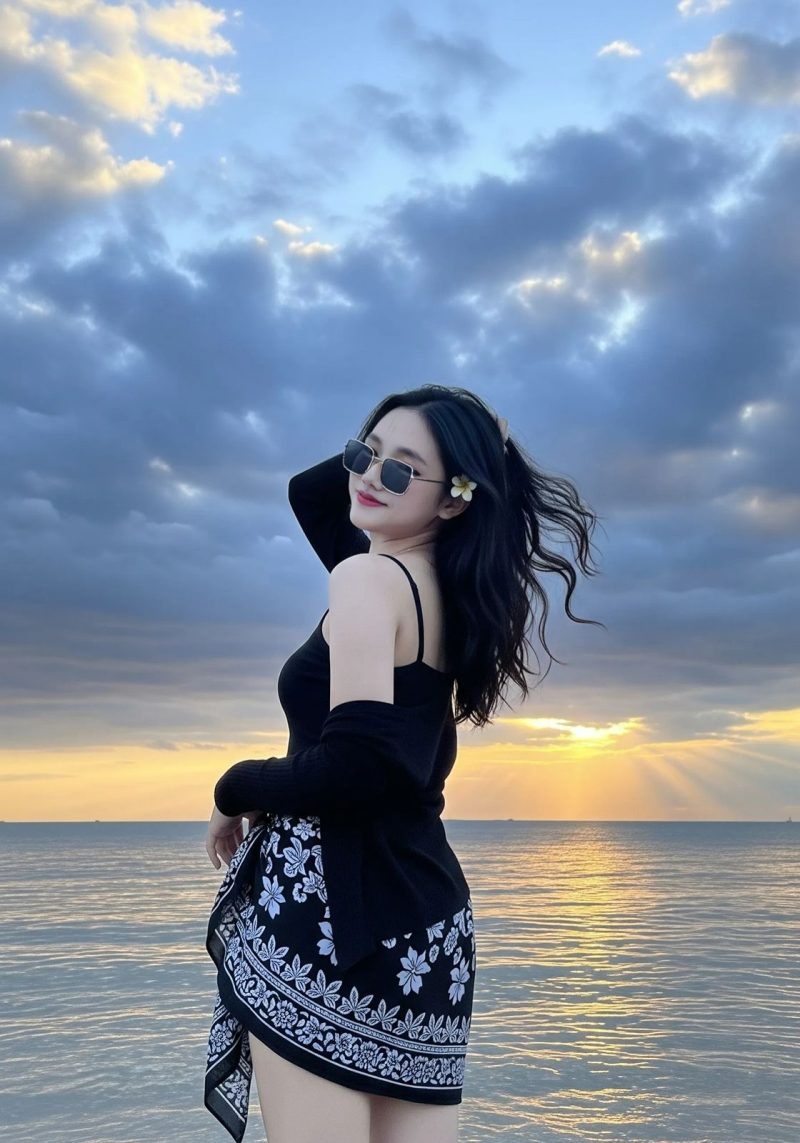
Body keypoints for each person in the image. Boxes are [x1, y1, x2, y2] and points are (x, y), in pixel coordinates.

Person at [203, 384, 603, 1143]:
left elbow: (354, 768)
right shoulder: (445, 591)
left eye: (399, 470)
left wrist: (234, 786)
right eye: (364, 452)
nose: (366, 476)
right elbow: (312, 494)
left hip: (331, 916)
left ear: (454, 500)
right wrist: (451, 448)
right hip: (427, 926)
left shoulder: (366, 580)